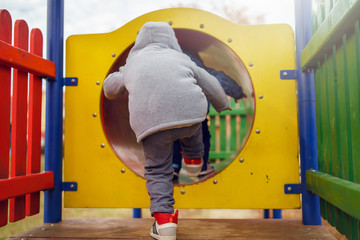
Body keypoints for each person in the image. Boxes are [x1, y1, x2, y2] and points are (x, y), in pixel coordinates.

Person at [103, 22, 230, 240]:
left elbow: (110, 89)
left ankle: (164, 223)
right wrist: (222, 104)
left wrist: (120, 79)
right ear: (172, 41)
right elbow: (210, 83)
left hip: (152, 125)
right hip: (190, 117)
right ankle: (194, 163)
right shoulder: (181, 58)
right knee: (194, 132)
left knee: (158, 171)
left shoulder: (132, 63)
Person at [172, 49, 246, 182]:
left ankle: (172, 166)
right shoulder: (198, 68)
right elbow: (219, 80)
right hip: (195, 113)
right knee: (201, 137)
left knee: (172, 138)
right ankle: (199, 167)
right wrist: (238, 92)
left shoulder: (166, 65)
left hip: (171, 114)